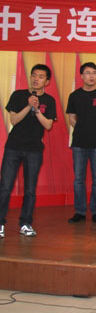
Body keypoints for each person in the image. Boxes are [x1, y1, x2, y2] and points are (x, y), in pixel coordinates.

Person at [0, 64, 56, 238]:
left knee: (30, 189)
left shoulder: (49, 100)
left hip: (34, 150)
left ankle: (25, 223)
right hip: (14, 147)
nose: (36, 79)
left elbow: (48, 125)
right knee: (5, 187)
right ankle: (0, 223)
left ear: (47, 81)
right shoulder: (18, 95)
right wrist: (28, 105)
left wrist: (37, 109)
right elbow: (14, 120)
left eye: (40, 77)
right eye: (34, 75)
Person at [66, 62, 96, 224]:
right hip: (79, 143)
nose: (91, 76)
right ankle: (80, 211)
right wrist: (82, 128)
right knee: (79, 178)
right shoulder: (75, 95)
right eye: (87, 73)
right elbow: (71, 117)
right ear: (82, 76)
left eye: (94, 73)